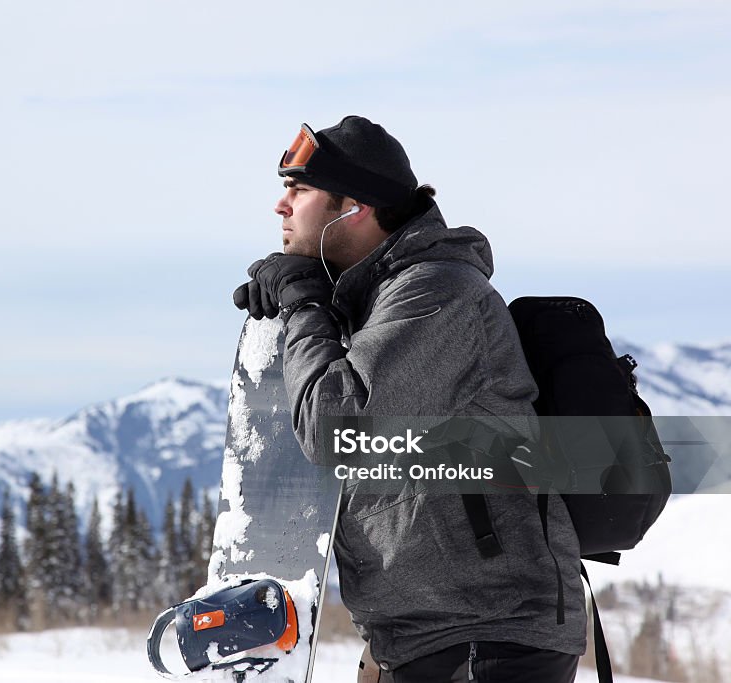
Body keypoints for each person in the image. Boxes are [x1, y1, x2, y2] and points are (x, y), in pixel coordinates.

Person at [233, 116, 587, 683]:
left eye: (298, 189)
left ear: (356, 207)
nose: (281, 205)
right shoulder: (369, 306)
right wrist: (305, 306)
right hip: (419, 638)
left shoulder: (436, 292)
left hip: (488, 633)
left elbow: (334, 425)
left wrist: (304, 305)